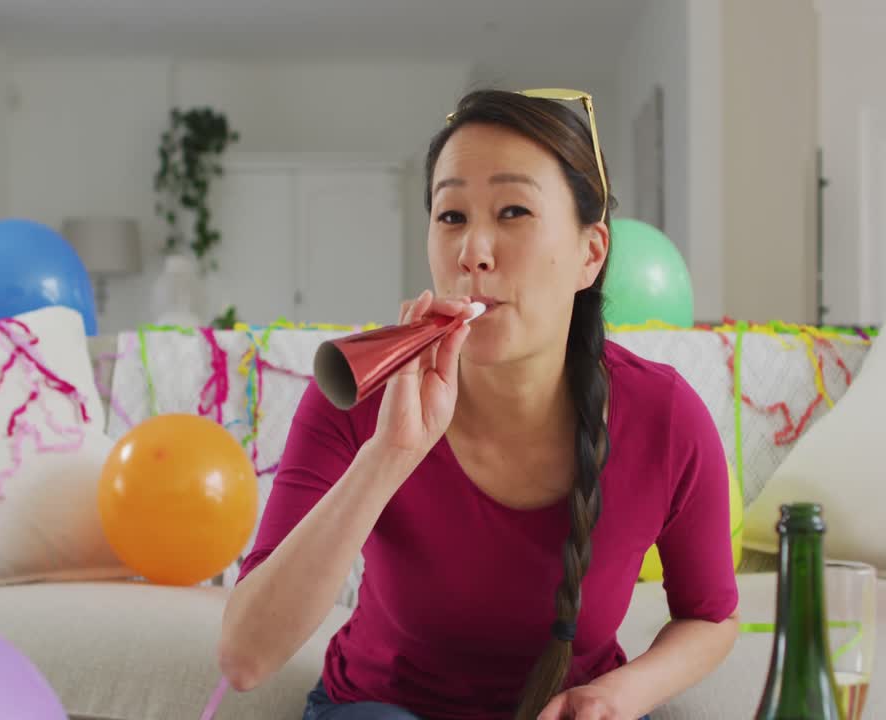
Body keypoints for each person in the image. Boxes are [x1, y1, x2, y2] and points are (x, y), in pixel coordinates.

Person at [218, 88, 740, 720]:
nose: (473, 253)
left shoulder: (666, 418)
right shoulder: (359, 393)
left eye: (514, 211)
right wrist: (390, 455)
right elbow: (245, 658)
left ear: (590, 253)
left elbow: (710, 617)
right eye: (451, 216)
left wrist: (616, 695)